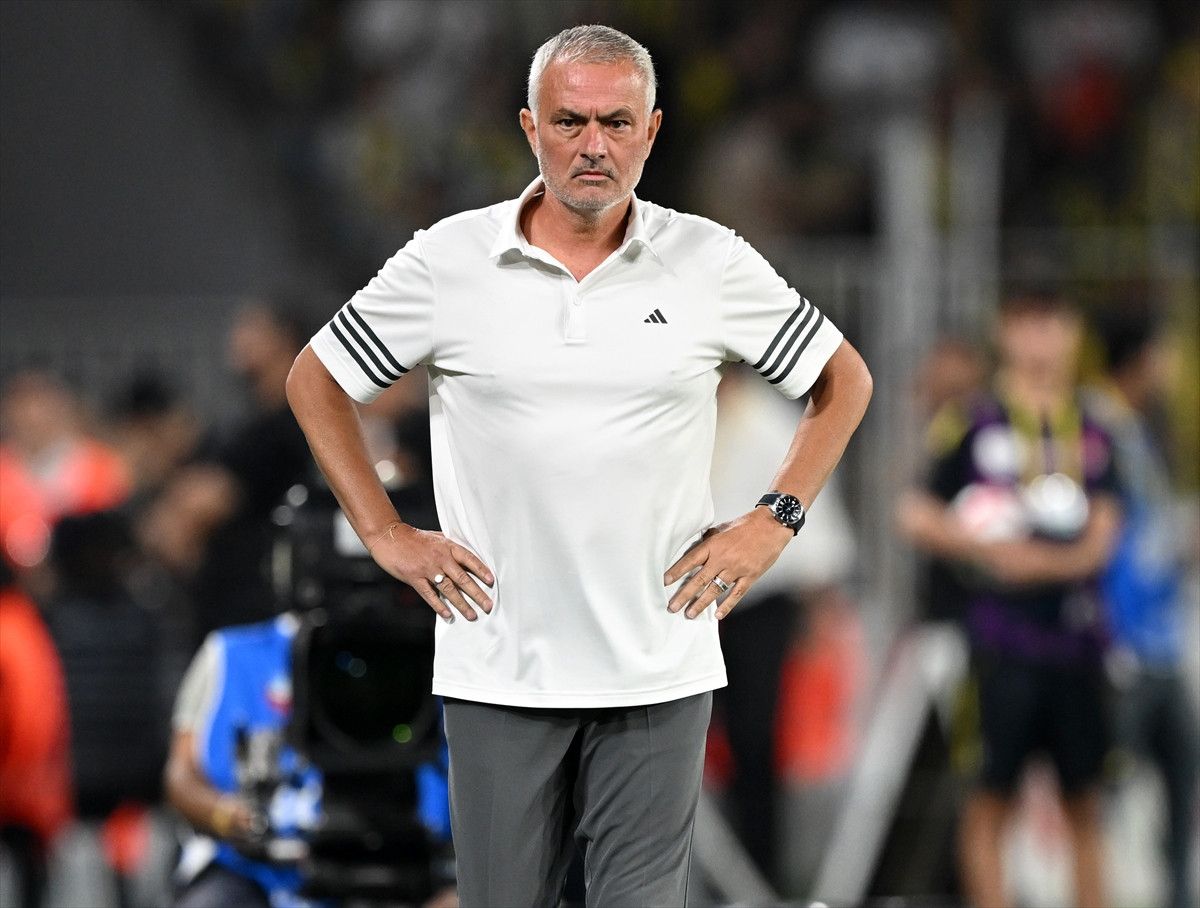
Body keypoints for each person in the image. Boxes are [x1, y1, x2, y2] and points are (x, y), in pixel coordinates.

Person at [286, 24, 872, 907]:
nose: (593, 144)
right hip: (499, 666)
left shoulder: (708, 260)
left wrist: (774, 519)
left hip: (658, 664)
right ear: (530, 128)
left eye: (615, 122)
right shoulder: (451, 259)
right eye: (569, 121)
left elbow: (843, 379)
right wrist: (384, 531)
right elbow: (317, 379)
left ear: (652, 130)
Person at [897, 289, 1122, 908]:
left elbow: (1107, 527)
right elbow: (915, 512)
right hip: (999, 641)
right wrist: (983, 548)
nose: (1039, 339)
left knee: (1085, 799)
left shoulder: (1095, 423)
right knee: (990, 796)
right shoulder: (972, 421)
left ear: (1072, 332)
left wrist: (1043, 563)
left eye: (1052, 323)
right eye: (1026, 323)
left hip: (1078, 641)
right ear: (1005, 331)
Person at [1087, 312, 1198, 908]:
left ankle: (1177, 893)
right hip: (1120, 639)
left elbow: (1148, 529)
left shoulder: (1140, 431)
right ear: (1142, 359)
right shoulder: (1100, 429)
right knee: (1103, 786)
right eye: (1163, 355)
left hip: (1162, 639)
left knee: (1181, 773)